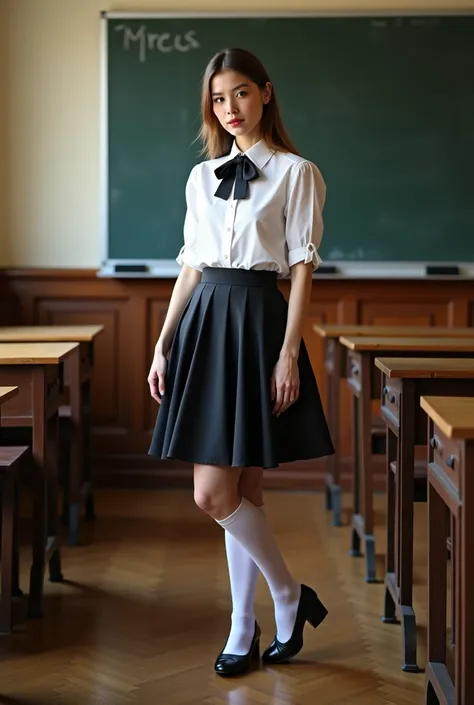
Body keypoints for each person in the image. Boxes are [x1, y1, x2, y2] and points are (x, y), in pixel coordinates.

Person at [147, 47, 335, 677]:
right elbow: (191, 267)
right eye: (219, 99)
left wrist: (289, 352)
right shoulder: (202, 178)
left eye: (242, 94)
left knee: (229, 490)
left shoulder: (296, 172)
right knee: (229, 492)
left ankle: (269, 608)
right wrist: (162, 340)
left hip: (259, 325)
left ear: (266, 93)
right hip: (205, 323)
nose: (230, 109)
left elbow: (303, 270)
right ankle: (260, 614)